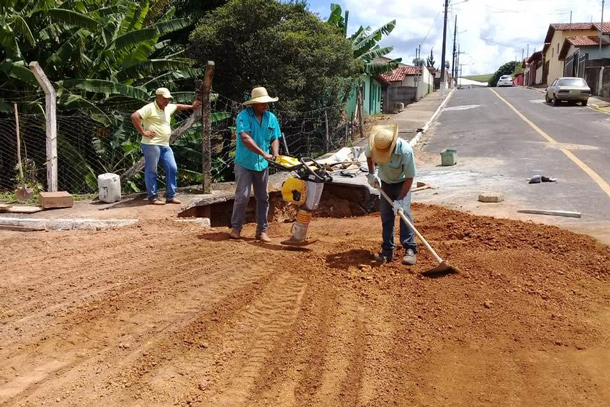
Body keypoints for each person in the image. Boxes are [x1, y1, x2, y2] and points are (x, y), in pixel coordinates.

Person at [131, 87, 201, 205]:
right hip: (151, 144)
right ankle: (153, 197)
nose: (167, 101)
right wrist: (143, 132)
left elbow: (178, 106)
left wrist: (191, 107)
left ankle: (171, 196)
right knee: (152, 170)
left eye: (168, 99)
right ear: (158, 97)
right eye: (164, 99)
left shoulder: (168, 107)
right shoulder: (150, 108)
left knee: (172, 168)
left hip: (164, 145)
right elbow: (134, 116)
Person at [229, 86, 282, 242]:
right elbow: (245, 138)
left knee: (263, 197)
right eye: (262, 103)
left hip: (262, 165)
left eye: (266, 103)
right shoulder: (243, 116)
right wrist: (264, 153)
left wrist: (276, 153)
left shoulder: (271, 117)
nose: (265, 106)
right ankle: (236, 228)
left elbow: (275, 138)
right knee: (242, 196)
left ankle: (261, 231)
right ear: (253, 104)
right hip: (244, 162)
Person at [366, 124, 418, 265]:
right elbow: (369, 157)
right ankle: (387, 251)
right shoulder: (376, 144)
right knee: (386, 216)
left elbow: (409, 178)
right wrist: (371, 174)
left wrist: (400, 200)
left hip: (402, 184)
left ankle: (410, 249)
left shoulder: (405, 152)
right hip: (386, 184)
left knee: (404, 214)